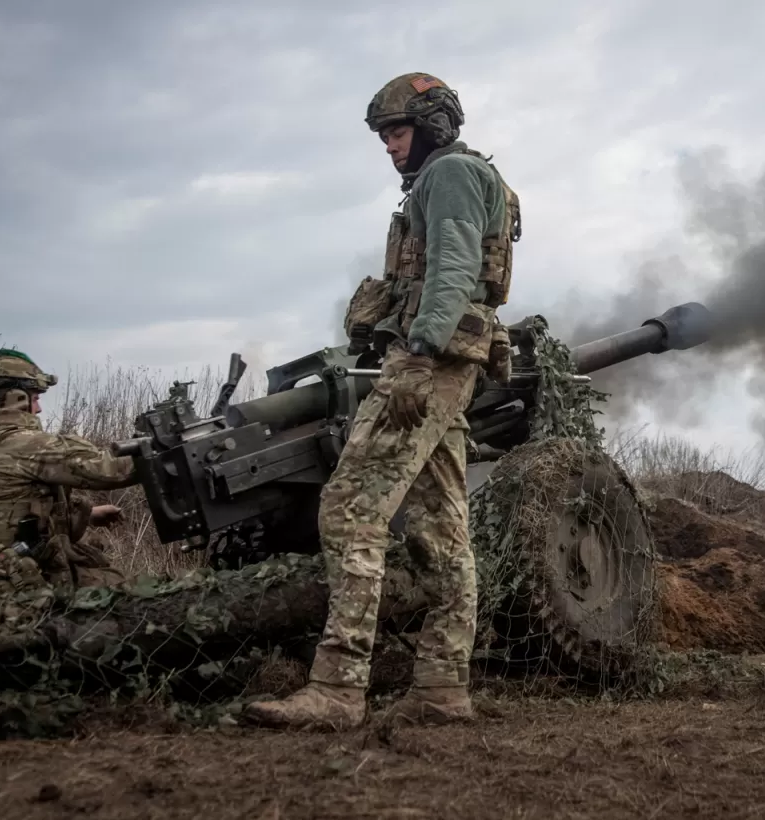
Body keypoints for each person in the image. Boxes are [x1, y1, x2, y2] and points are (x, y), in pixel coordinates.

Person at [244, 72, 520, 730]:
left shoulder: (449, 175)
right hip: (453, 364)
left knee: (348, 510)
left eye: (397, 132)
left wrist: (419, 345)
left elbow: (453, 265)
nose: (389, 146)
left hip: (428, 365)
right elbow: (460, 273)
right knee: (443, 532)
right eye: (385, 136)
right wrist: (386, 313)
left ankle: (338, 689)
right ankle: (442, 687)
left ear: (431, 126)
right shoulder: (470, 177)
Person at [0, 348, 138, 601]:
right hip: (3, 584)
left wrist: (86, 514)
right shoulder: (20, 443)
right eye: (35, 398)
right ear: (16, 398)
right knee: (127, 600)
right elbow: (111, 470)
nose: (39, 408)